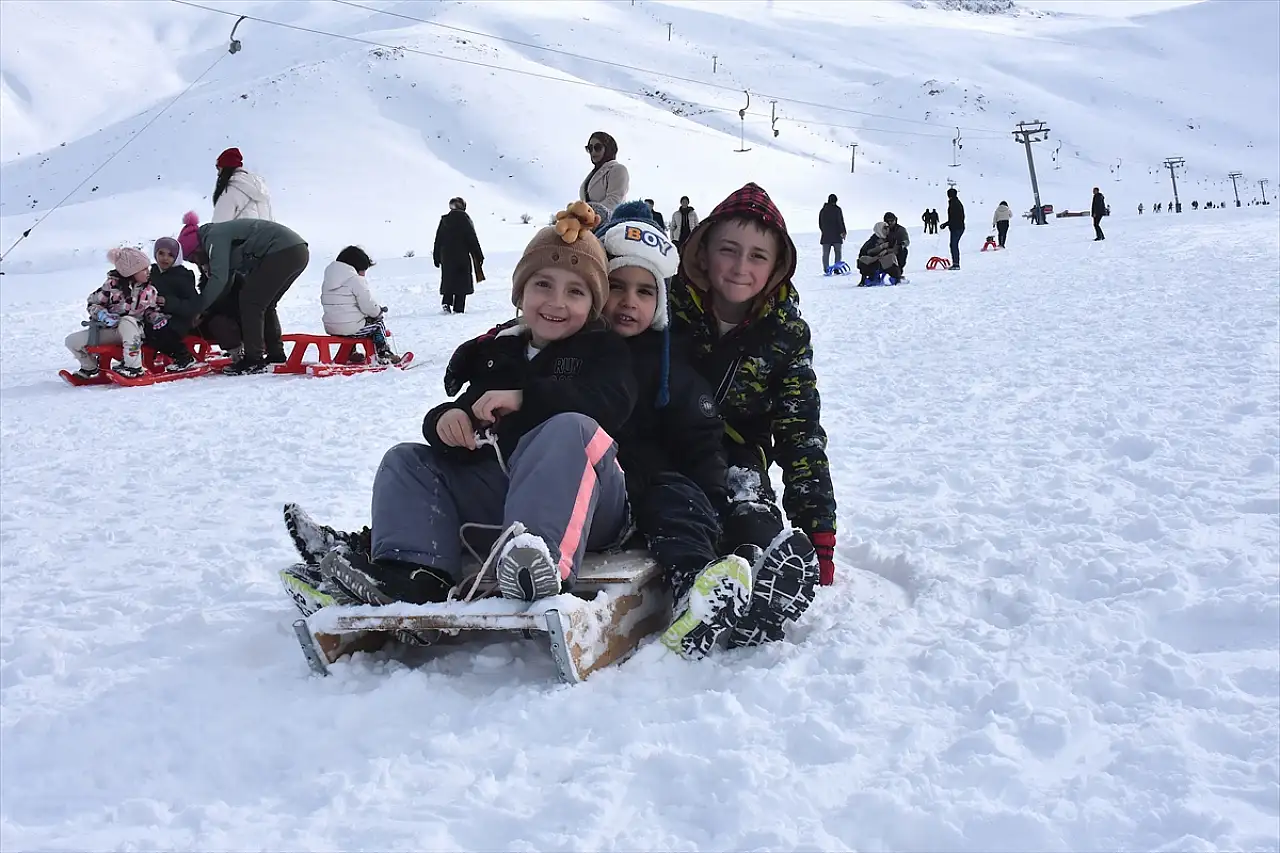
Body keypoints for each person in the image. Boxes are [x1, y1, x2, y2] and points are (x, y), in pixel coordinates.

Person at [285, 202, 636, 606]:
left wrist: (526, 400)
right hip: (509, 503)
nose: (556, 302)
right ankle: (413, 574)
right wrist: (447, 421)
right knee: (407, 460)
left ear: (593, 305)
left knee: (568, 428)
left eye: (575, 291)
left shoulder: (603, 350)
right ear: (520, 292)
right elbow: (467, 406)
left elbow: (611, 405)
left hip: (593, 506)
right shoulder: (500, 353)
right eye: (543, 285)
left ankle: (540, 565)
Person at [668, 183, 835, 646]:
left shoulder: (785, 333)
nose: (741, 268)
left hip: (739, 454)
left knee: (750, 502)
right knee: (674, 506)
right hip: (666, 447)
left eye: (758, 257)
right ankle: (702, 584)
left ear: (776, 266)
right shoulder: (665, 307)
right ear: (702, 253)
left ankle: (760, 576)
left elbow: (800, 429)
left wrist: (817, 527)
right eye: (729, 250)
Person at [590, 200, 751, 658]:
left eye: (645, 292)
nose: (628, 302)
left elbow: (700, 437)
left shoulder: (671, 364)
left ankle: (698, 592)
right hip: (592, 492)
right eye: (616, 287)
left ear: (660, 302)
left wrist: (712, 496)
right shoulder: (578, 350)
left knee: (679, 502)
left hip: (651, 489)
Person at [178, 211, 310, 375]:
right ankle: (275, 354)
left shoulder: (213, 237)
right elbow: (226, 281)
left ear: (196, 249)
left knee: (250, 302)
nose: (197, 263)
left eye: (193, 258)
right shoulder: (219, 239)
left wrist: (199, 308)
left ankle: (253, 359)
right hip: (297, 251)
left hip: (281, 250)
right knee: (265, 304)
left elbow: (218, 278)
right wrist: (208, 309)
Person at [64, 248, 168, 380]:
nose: (148, 272)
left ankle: (134, 367)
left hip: (135, 331)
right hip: (109, 330)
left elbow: (150, 310)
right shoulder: (111, 286)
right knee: (71, 341)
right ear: (130, 272)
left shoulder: (149, 290)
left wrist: (155, 317)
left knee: (128, 320)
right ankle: (90, 367)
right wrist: (102, 314)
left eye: (147, 268)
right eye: (143, 269)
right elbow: (93, 303)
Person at [321, 246, 400, 364]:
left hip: (331, 327)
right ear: (356, 267)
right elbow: (367, 305)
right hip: (350, 328)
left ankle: (350, 353)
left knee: (351, 321)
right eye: (364, 270)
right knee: (377, 325)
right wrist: (378, 311)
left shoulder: (329, 280)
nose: (364, 274)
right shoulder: (356, 280)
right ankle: (384, 354)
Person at [146, 237, 200, 371]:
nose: (165, 258)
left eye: (170, 255)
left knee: (158, 332)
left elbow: (192, 305)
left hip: (178, 320)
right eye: (161, 253)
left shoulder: (183, 276)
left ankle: (183, 356)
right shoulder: (151, 273)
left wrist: (168, 302)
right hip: (155, 316)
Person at [433, 197, 485, 315]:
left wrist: (436, 257)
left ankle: (446, 302)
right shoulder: (465, 219)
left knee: (449, 280)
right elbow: (472, 239)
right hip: (461, 257)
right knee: (462, 282)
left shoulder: (445, 220)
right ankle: (458, 308)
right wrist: (478, 255)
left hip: (446, 256)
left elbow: (438, 239)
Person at [211, 147, 273, 223]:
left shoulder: (230, 191)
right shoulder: (263, 191)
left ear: (226, 168)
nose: (218, 174)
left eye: (219, 169)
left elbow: (218, 228)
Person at [579, 131, 629, 216]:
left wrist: (585, 215)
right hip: (590, 224)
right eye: (590, 148)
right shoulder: (592, 175)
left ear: (608, 148)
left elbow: (614, 202)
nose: (593, 152)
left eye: (597, 147)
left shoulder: (618, 169)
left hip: (608, 224)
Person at [819, 194, 846, 273]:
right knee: (838, 253)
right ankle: (836, 269)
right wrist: (843, 231)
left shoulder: (823, 210)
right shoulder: (837, 209)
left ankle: (826, 269)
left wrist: (824, 231)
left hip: (826, 236)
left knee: (826, 254)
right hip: (837, 235)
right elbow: (840, 221)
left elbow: (820, 223)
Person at [940, 188, 966, 269]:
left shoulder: (954, 204)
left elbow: (954, 218)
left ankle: (956, 264)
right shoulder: (955, 203)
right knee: (953, 245)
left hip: (957, 227)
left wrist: (946, 224)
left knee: (953, 245)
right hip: (958, 227)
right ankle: (956, 263)